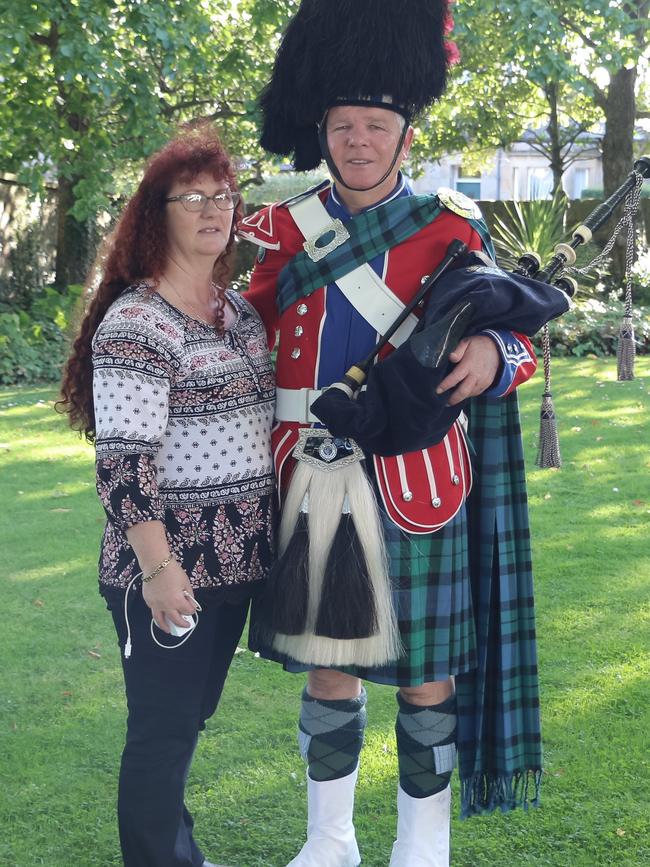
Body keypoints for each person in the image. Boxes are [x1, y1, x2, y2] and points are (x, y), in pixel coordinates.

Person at [238, 2, 554, 865]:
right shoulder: (288, 233)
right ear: (326, 132)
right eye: (345, 126)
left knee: (427, 676)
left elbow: (513, 327)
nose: (360, 140)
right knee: (328, 670)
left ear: (405, 137)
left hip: (416, 483)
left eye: (377, 126)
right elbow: (240, 329)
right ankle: (329, 840)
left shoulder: (449, 229)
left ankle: (424, 846)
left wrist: (495, 349)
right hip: (311, 473)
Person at [58, 125, 275, 867]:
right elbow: (123, 465)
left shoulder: (238, 313)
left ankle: (176, 852)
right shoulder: (138, 323)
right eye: (195, 198)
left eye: (225, 196)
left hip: (234, 563)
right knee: (162, 727)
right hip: (166, 568)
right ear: (159, 213)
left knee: (186, 719)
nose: (216, 210)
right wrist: (158, 568)